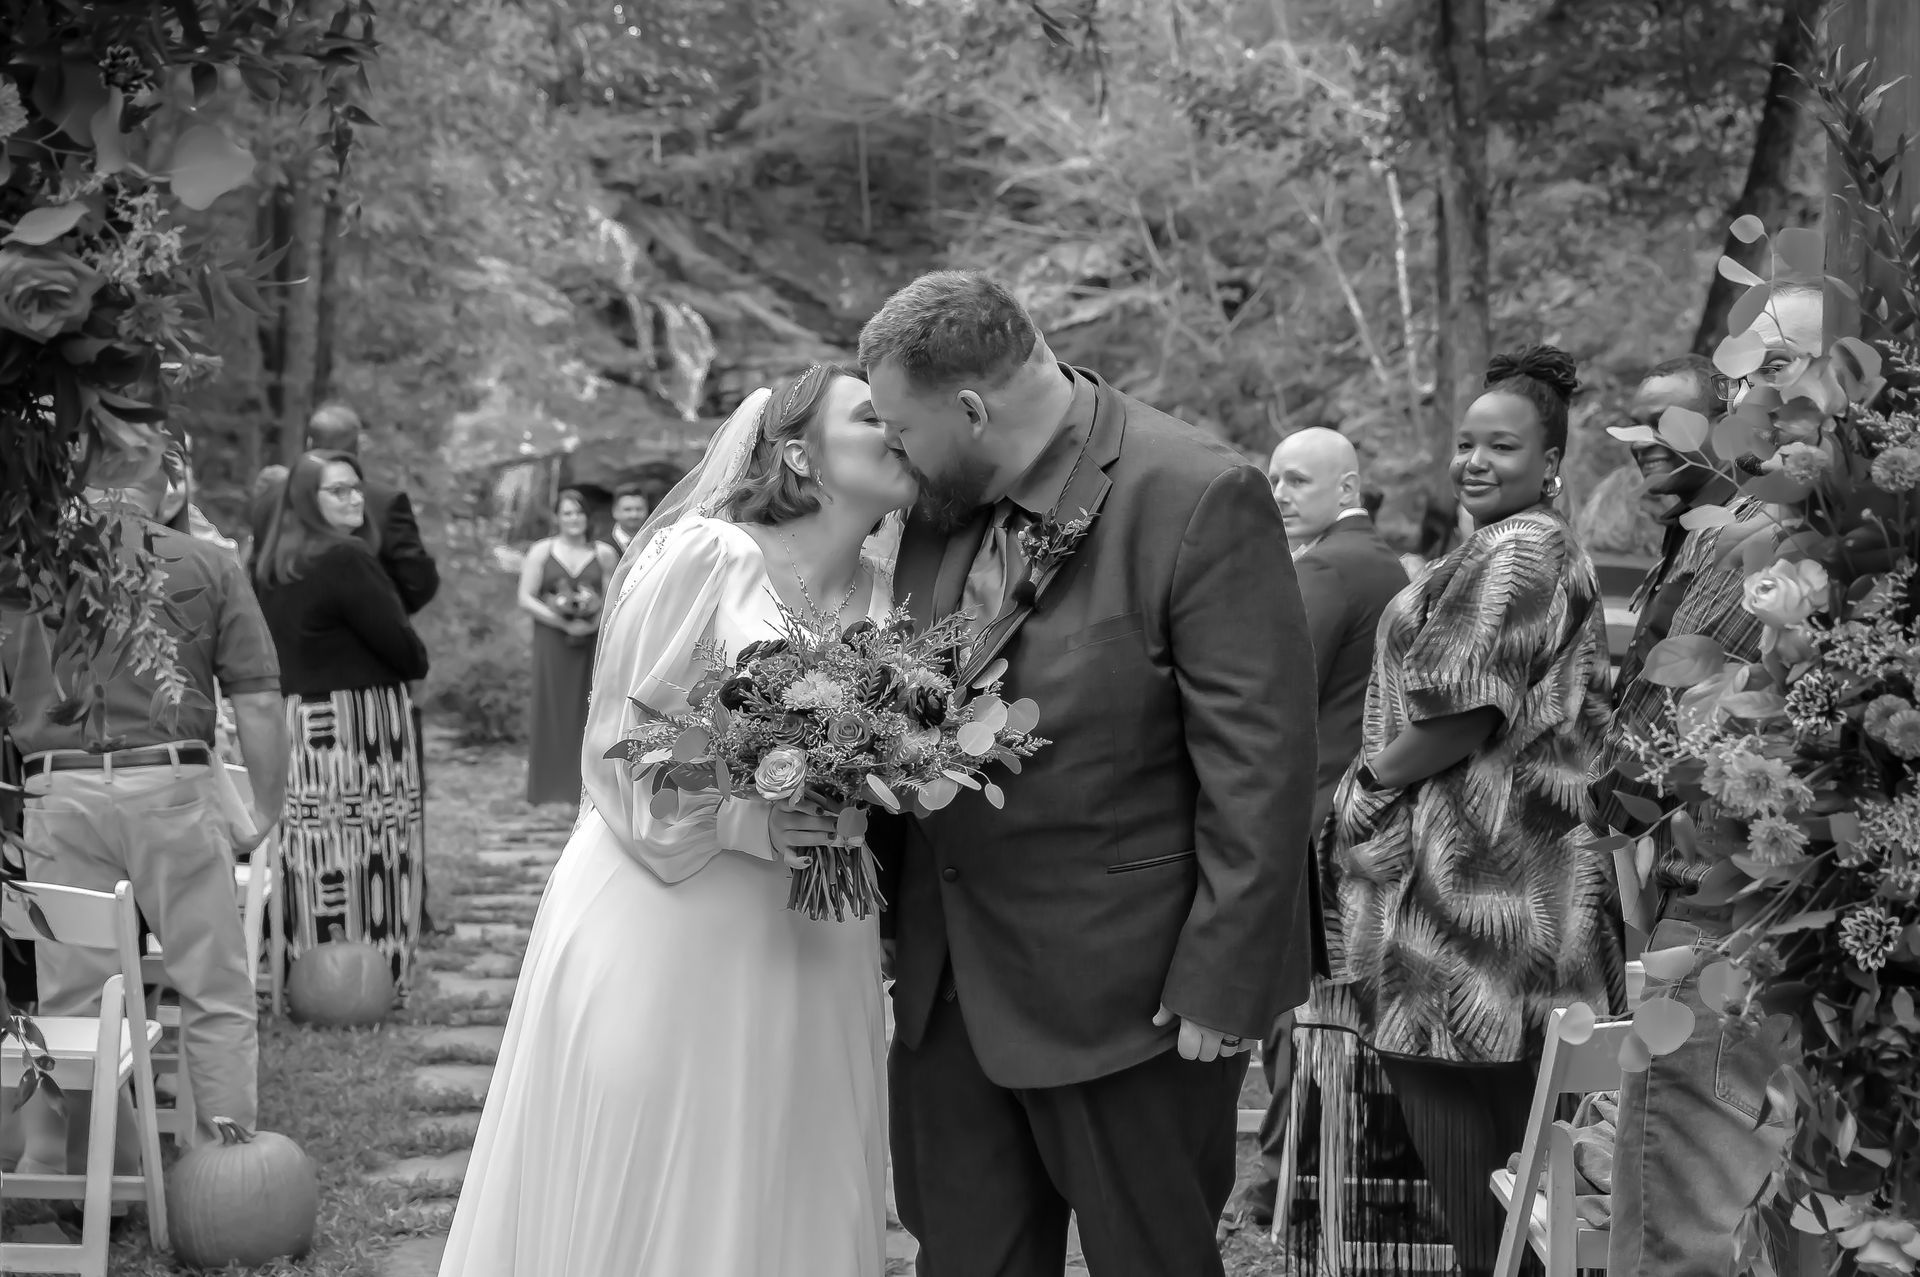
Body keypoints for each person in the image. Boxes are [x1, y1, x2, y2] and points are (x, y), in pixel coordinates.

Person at [863, 271, 1320, 1277]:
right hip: (950, 992)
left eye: (900, 429)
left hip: (1133, 999)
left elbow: (1263, 763)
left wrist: (1226, 976)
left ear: (973, 408)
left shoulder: (1197, 492)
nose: (891, 452)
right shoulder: (939, 509)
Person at [440, 365, 914, 1276]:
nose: (897, 429)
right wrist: (752, 825)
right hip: (671, 909)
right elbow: (624, 742)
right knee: (661, 1164)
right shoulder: (707, 554)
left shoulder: (889, 592)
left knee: (797, 1166)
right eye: (871, 417)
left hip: (818, 934)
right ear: (799, 456)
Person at [1312, 345, 1622, 1277]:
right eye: (1466, 443)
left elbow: (1462, 708)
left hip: (1481, 904)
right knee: (1516, 1175)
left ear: (1551, 464)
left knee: (1476, 1162)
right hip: (1509, 889)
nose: (1476, 462)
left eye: (1505, 448)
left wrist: (1362, 787)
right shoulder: (1506, 544)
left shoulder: (1524, 546)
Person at [1603, 287, 1823, 1277]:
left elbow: (1644, 759)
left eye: (1772, 364)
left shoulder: (1756, 536)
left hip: (1730, 916)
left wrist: (1614, 818)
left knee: (1685, 1234)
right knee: (1813, 1225)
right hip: (1823, 920)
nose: (1744, 385)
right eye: (1741, 367)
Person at [1, 461, 286, 1169]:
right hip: (171, 789)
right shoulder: (210, 563)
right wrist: (265, 809)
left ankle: (102, 1174)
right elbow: (256, 701)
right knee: (212, 985)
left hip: (55, 790)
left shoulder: (26, 567)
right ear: (172, 489)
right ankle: (221, 1173)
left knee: (73, 1000)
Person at [1237, 427, 1408, 1227]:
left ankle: (1284, 1180)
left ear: (1347, 489)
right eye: (1272, 476)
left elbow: (1267, 681)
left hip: (1315, 819)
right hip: (1360, 817)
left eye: (1297, 479)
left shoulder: (1330, 567)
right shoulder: (1384, 563)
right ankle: (1302, 1174)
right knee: (1320, 1010)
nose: (1278, 492)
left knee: (1297, 1010)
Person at [253, 451, 431, 993]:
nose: (354, 498)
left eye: (357, 488)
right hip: (359, 729)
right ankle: (374, 974)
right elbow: (408, 653)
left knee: (314, 848)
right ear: (308, 499)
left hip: (300, 726)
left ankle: (302, 964)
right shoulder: (345, 558)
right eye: (338, 491)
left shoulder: (269, 564)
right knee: (371, 845)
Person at [517, 489, 617, 805]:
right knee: (551, 706)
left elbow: (614, 597)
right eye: (567, 513)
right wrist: (562, 621)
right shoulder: (541, 552)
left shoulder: (603, 554)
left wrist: (591, 623)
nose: (574, 519)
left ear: (588, 517)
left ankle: (585, 787)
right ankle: (547, 787)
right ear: (558, 517)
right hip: (552, 640)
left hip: (591, 640)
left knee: (588, 708)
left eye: (579, 513)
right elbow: (525, 597)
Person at [305, 402, 440, 615]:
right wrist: (385, 616)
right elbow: (418, 582)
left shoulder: (276, 497)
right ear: (359, 446)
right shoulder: (384, 504)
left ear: (309, 443)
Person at [609, 482, 650, 554]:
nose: (634, 515)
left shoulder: (657, 540)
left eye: (639, 509)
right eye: (627, 509)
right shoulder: (603, 545)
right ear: (615, 511)